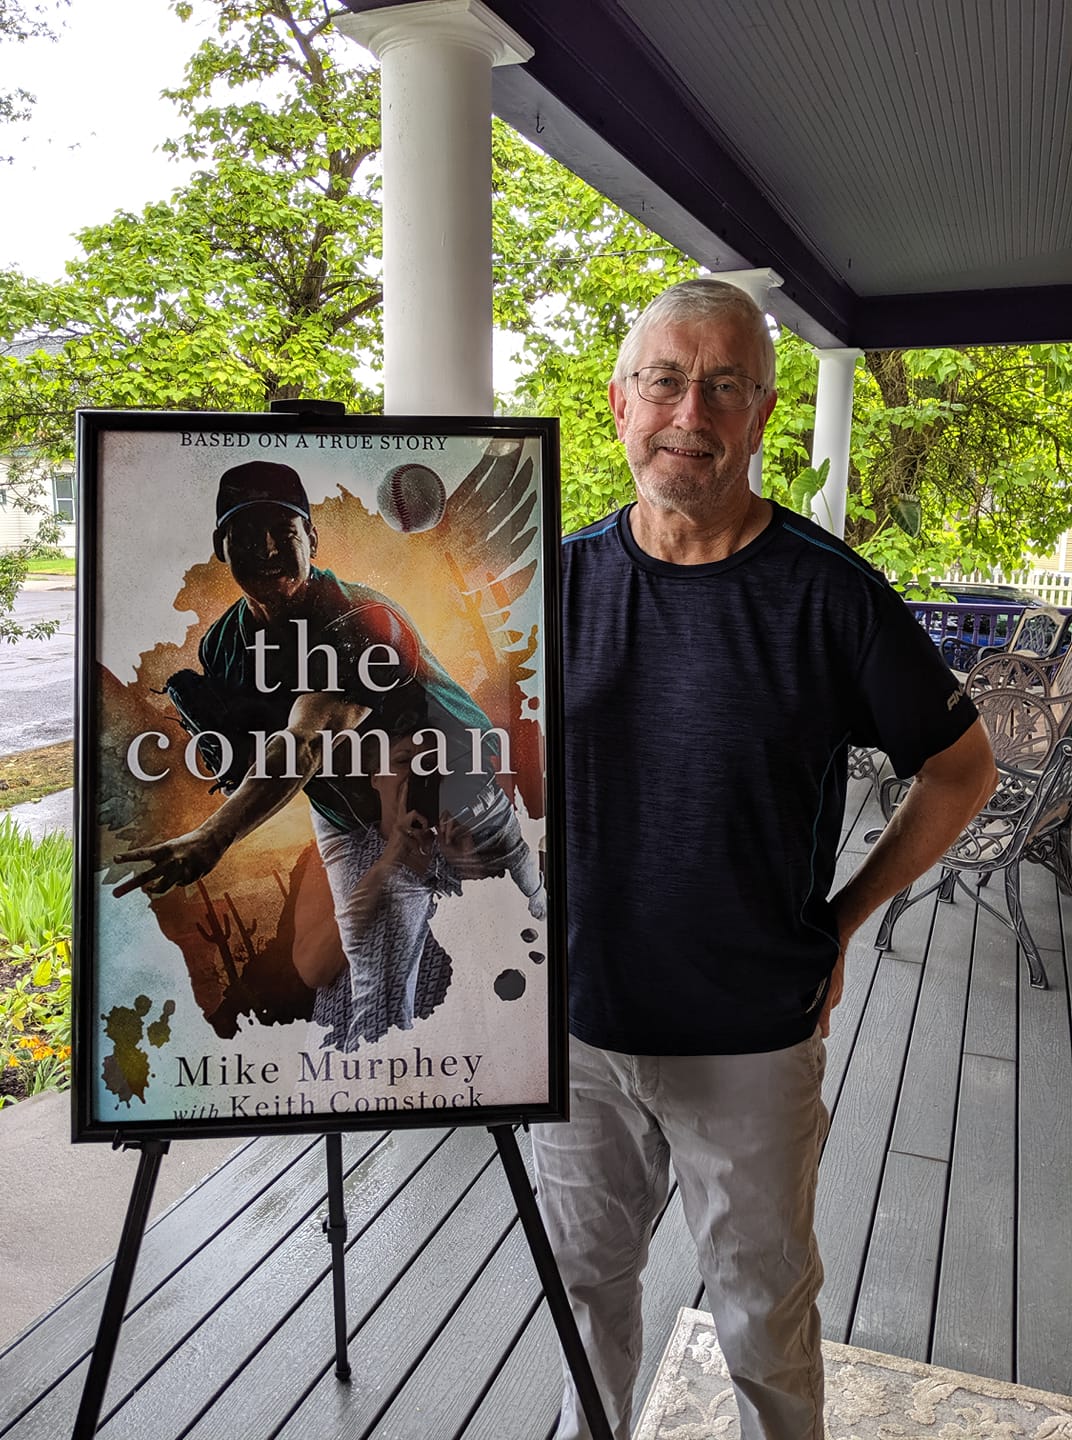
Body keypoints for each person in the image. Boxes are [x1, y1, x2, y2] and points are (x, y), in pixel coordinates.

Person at [531, 278, 998, 1440]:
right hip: (573, 1024)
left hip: (750, 1033)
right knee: (581, 1292)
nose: (690, 409)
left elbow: (961, 770)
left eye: (723, 385)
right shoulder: (549, 585)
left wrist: (841, 922)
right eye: (664, 379)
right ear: (618, 403)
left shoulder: (829, 598)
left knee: (761, 1316)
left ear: (758, 415)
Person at [115, 460, 545, 1039]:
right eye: (245, 534)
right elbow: (268, 748)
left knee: (524, 914)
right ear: (222, 547)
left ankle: (542, 1040)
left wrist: (213, 834)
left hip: (454, 794)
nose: (266, 548)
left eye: (283, 531)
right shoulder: (223, 644)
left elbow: (308, 737)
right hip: (344, 811)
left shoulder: (358, 618)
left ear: (311, 540)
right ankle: (393, 1079)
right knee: (374, 980)